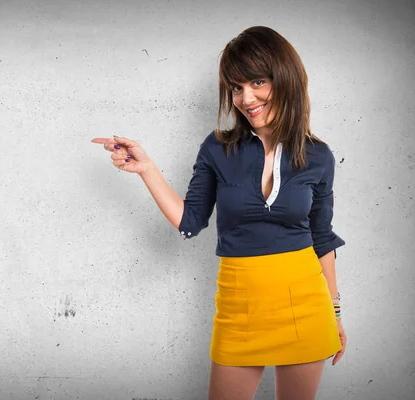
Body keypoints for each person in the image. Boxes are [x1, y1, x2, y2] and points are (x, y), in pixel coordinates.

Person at [91, 26, 347, 400]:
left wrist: (336, 314)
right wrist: (147, 169)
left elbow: (322, 237)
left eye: (257, 82)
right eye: (236, 87)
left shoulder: (319, 156)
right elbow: (190, 222)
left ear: (285, 78)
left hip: (306, 307)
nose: (246, 98)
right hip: (239, 305)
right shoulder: (217, 148)